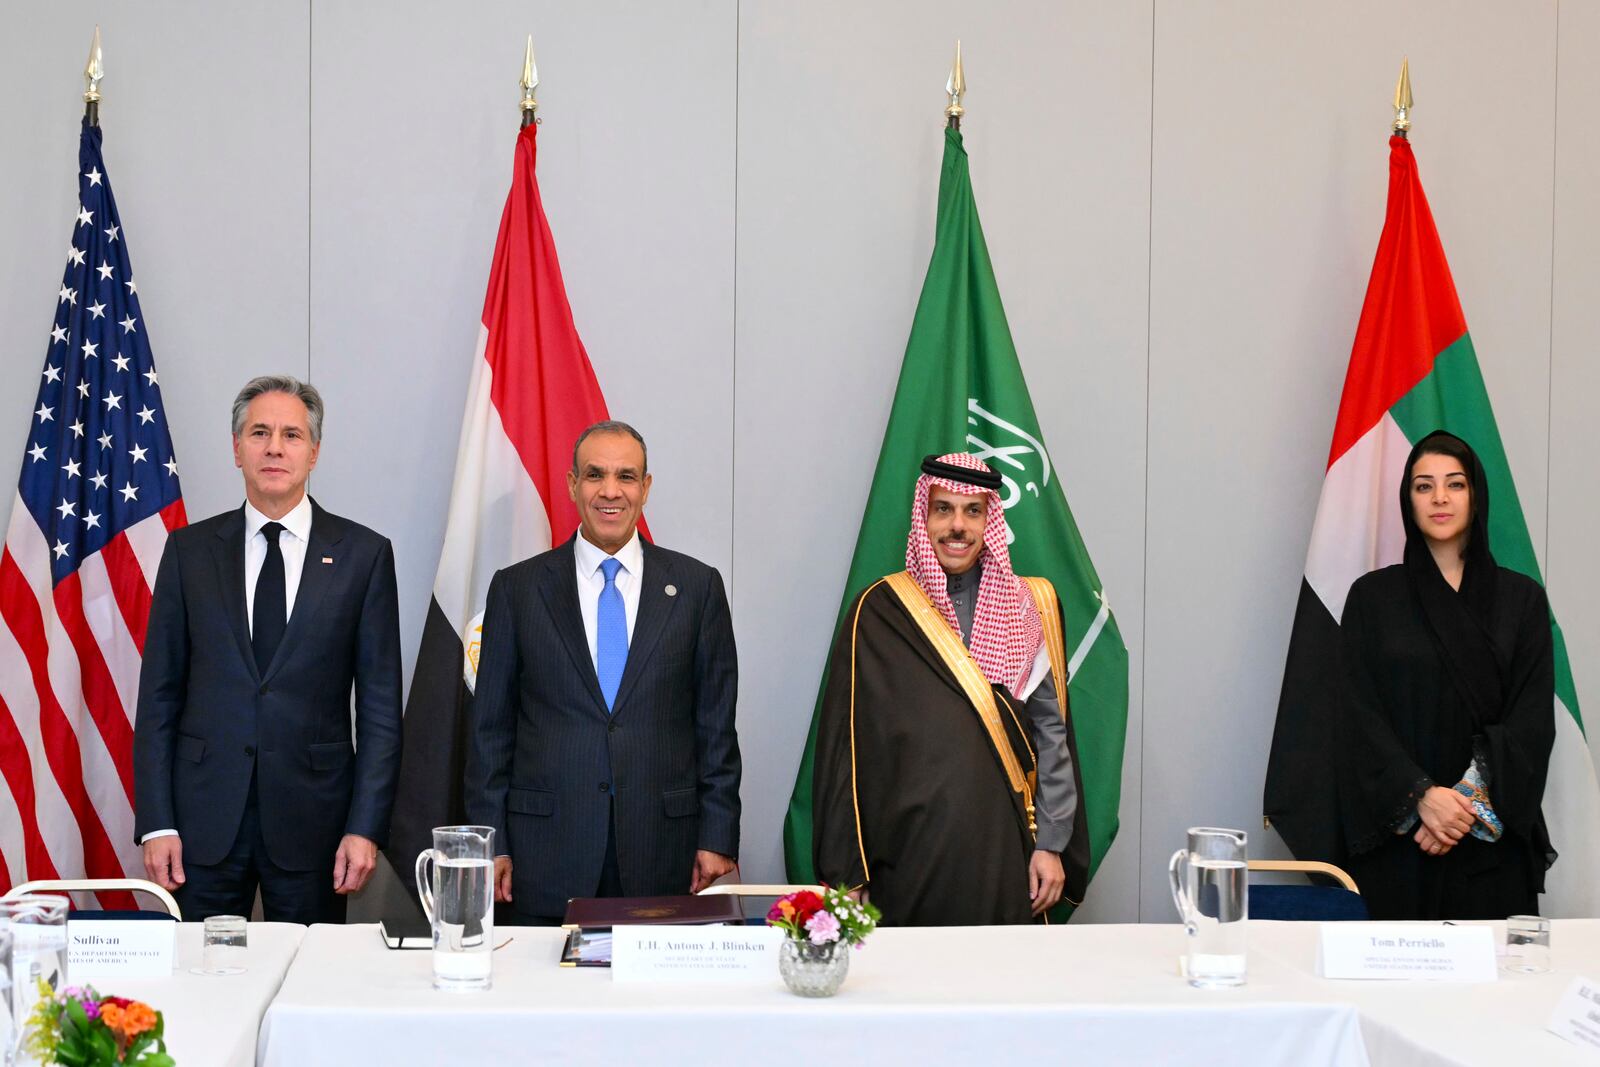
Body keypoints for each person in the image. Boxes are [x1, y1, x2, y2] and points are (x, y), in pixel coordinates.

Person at [133, 375, 403, 924]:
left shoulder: (364, 556)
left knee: (309, 989)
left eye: (291, 435)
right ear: (237, 449)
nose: (275, 447)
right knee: (203, 988)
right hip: (202, 825)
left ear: (315, 451)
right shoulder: (189, 552)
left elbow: (378, 710)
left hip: (316, 826)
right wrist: (157, 822)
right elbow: (159, 696)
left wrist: (364, 826)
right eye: (259, 433)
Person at [464, 420, 741, 924]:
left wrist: (718, 836)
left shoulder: (697, 589)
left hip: (664, 848)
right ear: (573, 484)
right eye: (595, 475)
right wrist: (493, 840)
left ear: (646, 487)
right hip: (544, 851)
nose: (610, 491)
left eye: (626, 476)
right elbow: (490, 731)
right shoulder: (518, 590)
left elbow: (716, 728)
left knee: (652, 1002)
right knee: (549, 996)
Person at [812, 453, 1089, 926]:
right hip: (905, 858)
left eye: (972, 511)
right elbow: (845, 754)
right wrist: (848, 873)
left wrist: (1051, 846)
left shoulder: (1027, 608)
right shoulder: (877, 613)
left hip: (1005, 854)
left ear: (990, 520)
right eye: (943, 509)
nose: (957, 526)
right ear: (924, 515)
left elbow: (1051, 736)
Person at [1336, 430, 1556, 920]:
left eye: (1455, 484)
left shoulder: (1522, 600)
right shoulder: (1372, 598)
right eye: (1423, 486)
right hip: (1400, 841)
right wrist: (1420, 799)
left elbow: (1533, 719)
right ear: (1407, 501)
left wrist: (1463, 803)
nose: (1439, 498)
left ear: (1475, 495)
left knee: (1491, 992)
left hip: (1488, 842)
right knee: (1392, 993)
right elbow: (1356, 714)